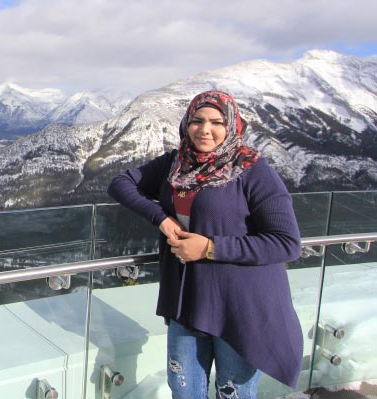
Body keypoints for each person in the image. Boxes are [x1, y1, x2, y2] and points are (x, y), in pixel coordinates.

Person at [107, 90, 303, 398]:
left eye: (216, 122)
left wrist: (210, 248)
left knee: (232, 392)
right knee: (183, 390)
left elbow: (286, 243)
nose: (205, 129)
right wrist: (161, 218)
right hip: (186, 300)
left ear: (232, 126)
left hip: (238, 305)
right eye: (197, 120)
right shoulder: (176, 164)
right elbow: (120, 184)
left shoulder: (252, 171)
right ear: (186, 123)